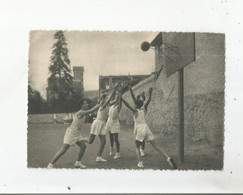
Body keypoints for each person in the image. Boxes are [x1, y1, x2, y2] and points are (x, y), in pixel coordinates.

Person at [122, 87, 177, 169]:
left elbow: (127, 105)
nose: (133, 104)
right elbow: (147, 102)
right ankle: (168, 158)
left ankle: (140, 163)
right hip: (146, 127)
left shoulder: (135, 111)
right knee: (156, 146)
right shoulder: (143, 110)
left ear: (136, 105)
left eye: (134, 104)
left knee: (137, 146)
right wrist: (150, 94)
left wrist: (121, 98)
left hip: (140, 128)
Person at [47, 99, 103, 169]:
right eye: (86, 103)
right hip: (71, 133)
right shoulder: (81, 113)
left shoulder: (83, 112)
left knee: (83, 146)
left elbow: (91, 110)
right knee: (64, 149)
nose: (87, 104)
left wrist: (98, 103)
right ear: (82, 105)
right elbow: (91, 110)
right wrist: (100, 104)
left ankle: (78, 163)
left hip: (77, 133)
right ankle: (50, 164)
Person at [84, 84, 118, 162]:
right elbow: (109, 99)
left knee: (104, 142)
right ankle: (80, 139)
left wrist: (119, 92)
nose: (107, 99)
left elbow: (115, 100)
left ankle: (98, 157)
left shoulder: (107, 105)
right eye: (105, 98)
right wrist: (114, 88)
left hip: (103, 124)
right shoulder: (102, 106)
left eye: (106, 98)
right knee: (90, 141)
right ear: (103, 100)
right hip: (97, 123)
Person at [129, 85, 147, 156]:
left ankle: (142, 150)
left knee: (143, 138)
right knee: (138, 138)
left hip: (142, 123)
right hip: (136, 124)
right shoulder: (137, 105)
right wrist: (130, 90)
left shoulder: (143, 106)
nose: (140, 98)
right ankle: (139, 149)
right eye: (139, 97)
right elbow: (133, 97)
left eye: (141, 97)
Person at [106, 90, 122, 159]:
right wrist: (115, 91)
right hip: (109, 122)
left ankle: (118, 153)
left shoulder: (119, 106)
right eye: (116, 96)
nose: (116, 97)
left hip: (115, 123)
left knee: (116, 139)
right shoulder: (111, 105)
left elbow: (120, 102)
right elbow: (109, 101)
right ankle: (111, 149)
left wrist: (120, 95)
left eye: (117, 97)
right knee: (110, 137)